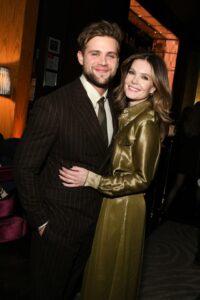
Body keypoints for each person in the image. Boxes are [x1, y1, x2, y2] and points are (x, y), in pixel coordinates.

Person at [14, 20, 124, 300]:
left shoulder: (114, 105)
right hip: (56, 228)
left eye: (110, 55)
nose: (103, 62)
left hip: (93, 226)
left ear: (117, 61)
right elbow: (25, 167)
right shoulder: (54, 105)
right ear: (80, 57)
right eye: (95, 54)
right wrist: (41, 222)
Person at [59, 52, 172, 300]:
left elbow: (142, 179)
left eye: (145, 77)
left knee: (110, 275)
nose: (134, 80)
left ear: (154, 88)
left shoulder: (146, 123)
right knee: (101, 270)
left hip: (124, 208)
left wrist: (92, 179)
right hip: (112, 202)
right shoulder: (126, 114)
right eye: (132, 72)